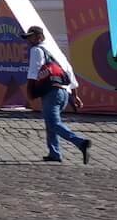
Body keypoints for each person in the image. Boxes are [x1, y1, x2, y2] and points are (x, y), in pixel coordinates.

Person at [26, 25, 91, 164]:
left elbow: (33, 71)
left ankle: (81, 142)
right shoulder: (54, 50)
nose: (29, 40)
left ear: (39, 37)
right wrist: (74, 95)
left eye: (31, 37)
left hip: (52, 92)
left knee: (53, 123)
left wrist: (30, 91)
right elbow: (69, 71)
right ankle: (54, 153)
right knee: (51, 123)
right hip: (64, 93)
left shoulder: (36, 50)